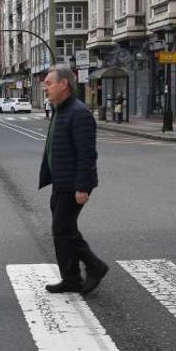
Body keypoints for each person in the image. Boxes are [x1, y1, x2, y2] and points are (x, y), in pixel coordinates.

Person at [39, 66, 109, 297]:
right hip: (61, 183)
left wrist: (82, 187)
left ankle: (94, 267)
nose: (44, 87)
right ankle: (71, 278)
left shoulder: (78, 113)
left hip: (72, 186)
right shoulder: (61, 110)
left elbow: (87, 154)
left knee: (62, 230)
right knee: (66, 231)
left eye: (49, 83)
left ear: (64, 84)